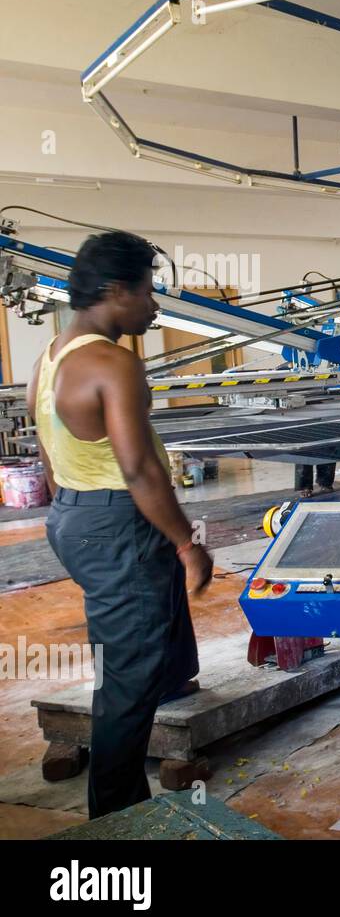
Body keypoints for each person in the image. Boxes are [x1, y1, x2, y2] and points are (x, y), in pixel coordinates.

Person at [29, 230, 211, 818]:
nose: (155, 306)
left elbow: (47, 451)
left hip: (77, 514)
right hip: (116, 520)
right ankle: (117, 821)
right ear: (115, 291)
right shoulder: (113, 363)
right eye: (148, 292)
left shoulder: (52, 353)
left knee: (145, 639)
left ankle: (173, 678)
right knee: (127, 684)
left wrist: (73, 514)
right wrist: (187, 544)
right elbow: (137, 470)